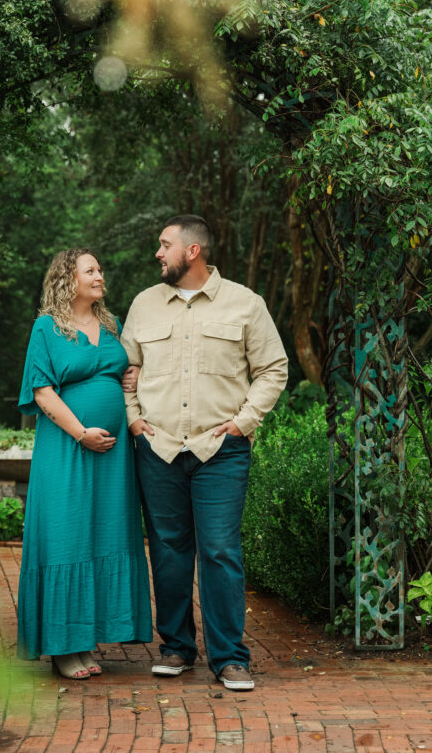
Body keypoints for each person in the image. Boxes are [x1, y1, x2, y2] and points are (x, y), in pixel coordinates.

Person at [121, 215, 287, 691]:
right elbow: (124, 369)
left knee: (219, 551)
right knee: (170, 552)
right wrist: (134, 420)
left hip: (222, 450)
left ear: (192, 251)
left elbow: (273, 368)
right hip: (159, 448)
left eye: (165, 244)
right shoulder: (144, 305)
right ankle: (176, 647)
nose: (158, 252)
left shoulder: (245, 303)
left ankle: (230, 658)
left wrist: (244, 422)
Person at [17, 248, 152, 680]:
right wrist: (82, 433)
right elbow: (41, 391)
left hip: (112, 460)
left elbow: (120, 371)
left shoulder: (110, 326)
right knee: (66, 537)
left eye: (100, 268)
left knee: (101, 536)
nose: (100, 274)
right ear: (67, 280)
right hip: (69, 450)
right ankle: (62, 648)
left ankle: (87, 636)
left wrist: (131, 375)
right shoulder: (47, 328)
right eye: (90, 270)